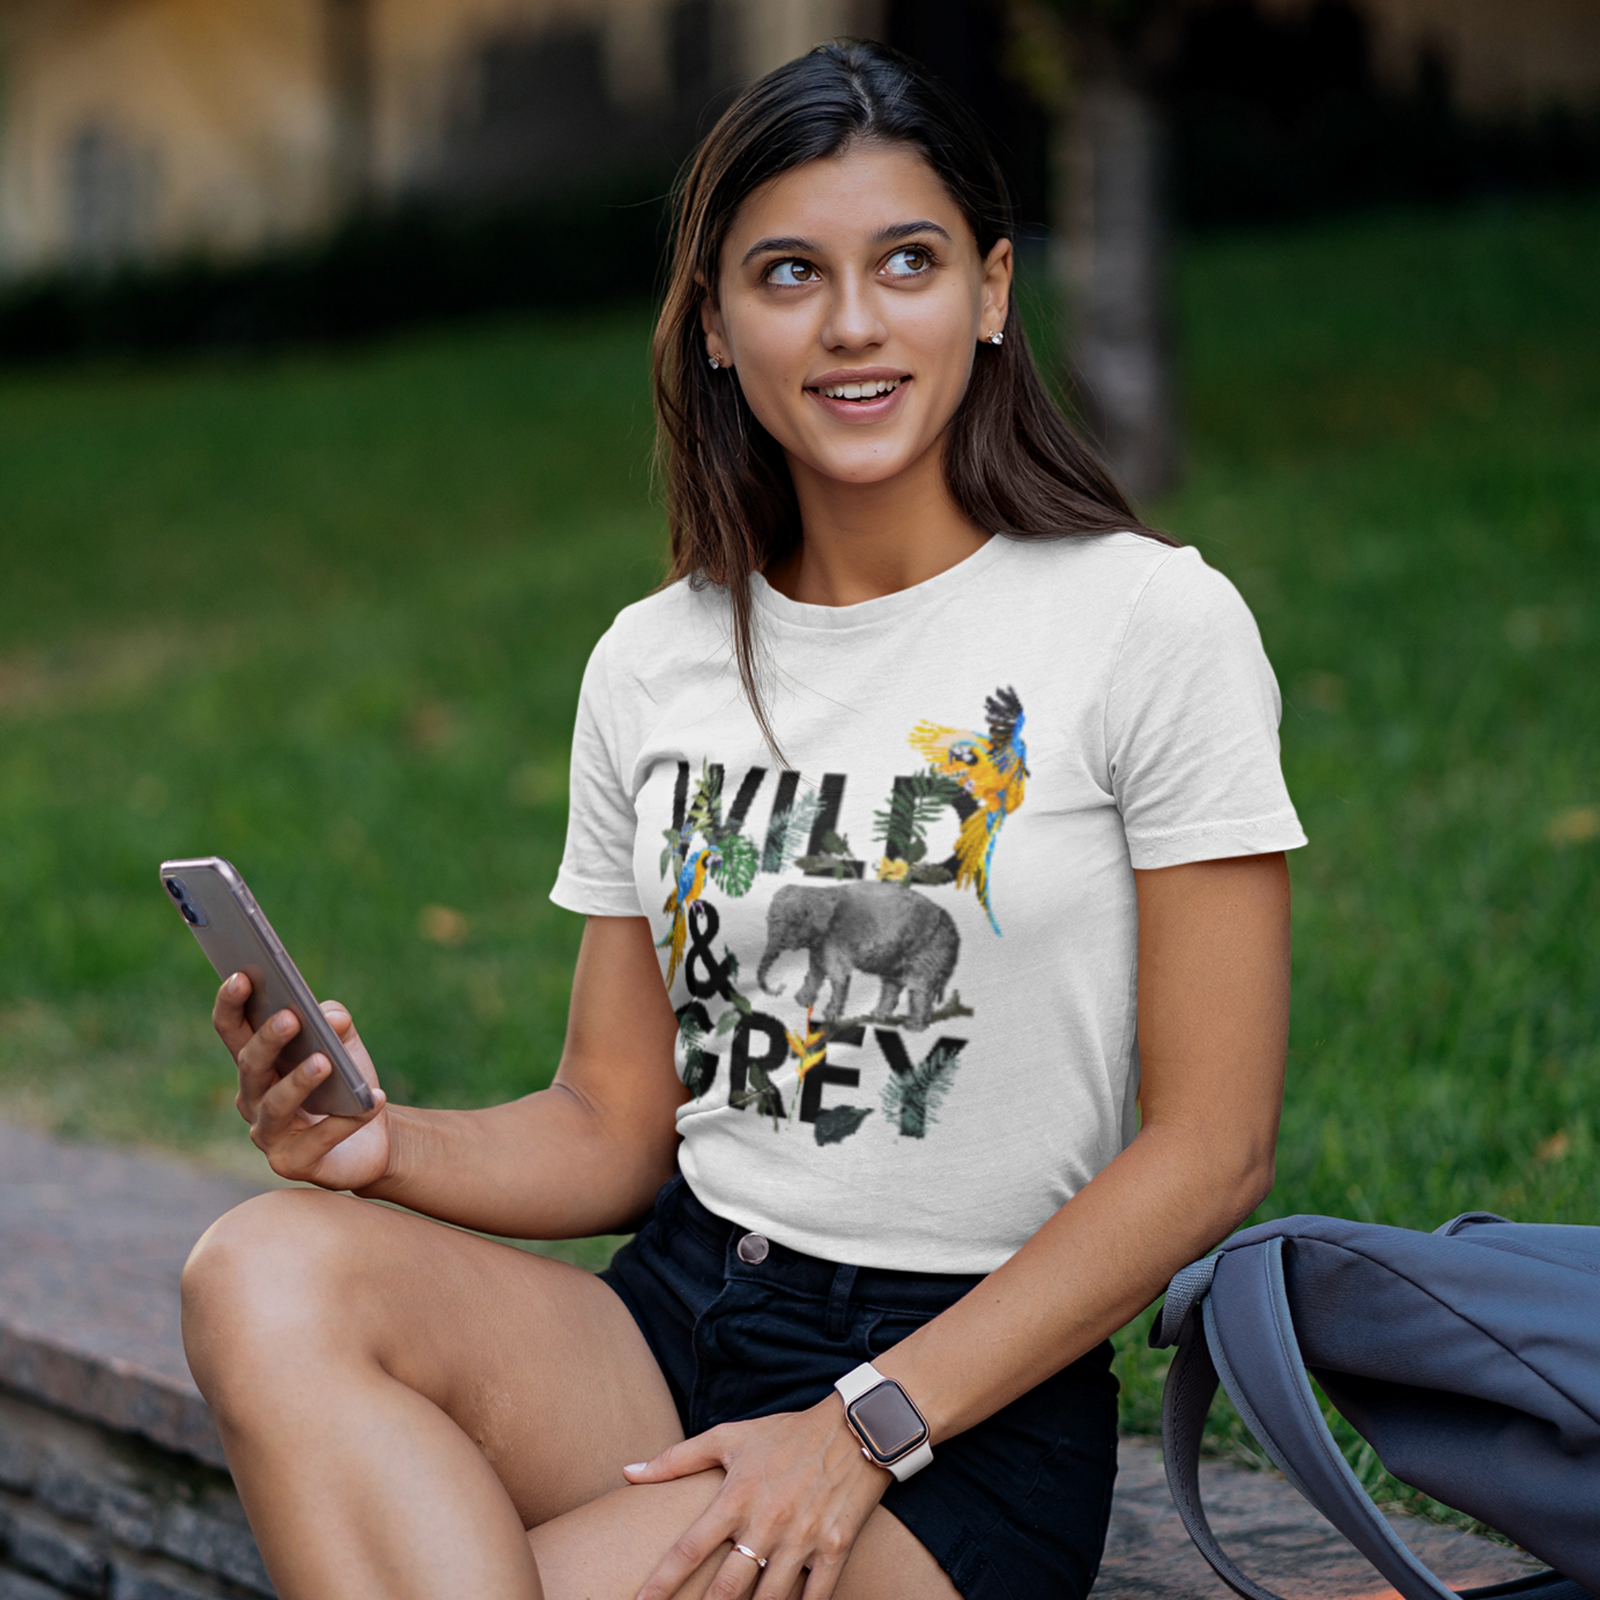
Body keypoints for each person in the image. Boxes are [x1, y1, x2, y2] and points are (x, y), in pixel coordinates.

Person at [181, 39, 1304, 1600]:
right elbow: (615, 1124)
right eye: (788, 273)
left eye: (906, 262)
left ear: (989, 289)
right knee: (258, 1266)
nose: (853, 322)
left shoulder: (1147, 625)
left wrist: (857, 1428)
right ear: (713, 323)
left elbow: (1212, 1149)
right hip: (677, 1314)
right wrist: (381, 1142)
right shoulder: (658, 658)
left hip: (958, 1406)